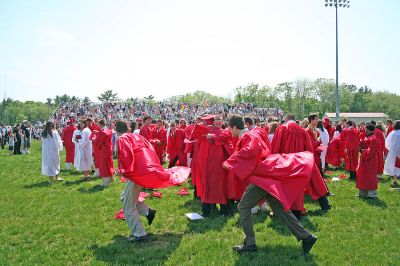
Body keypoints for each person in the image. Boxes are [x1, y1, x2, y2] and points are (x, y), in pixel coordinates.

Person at [223, 115, 317, 254]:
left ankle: (250, 244)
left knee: (243, 207)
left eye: (229, 129)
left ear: (235, 127)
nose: (229, 132)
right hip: (267, 175)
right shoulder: (256, 131)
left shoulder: (248, 136)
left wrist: (230, 162)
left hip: (262, 178)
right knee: (279, 208)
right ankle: (306, 237)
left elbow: (252, 149)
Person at [115, 120, 190, 241]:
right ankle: (148, 212)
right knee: (125, 197)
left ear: (116, 129)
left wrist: (123, 170)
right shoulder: (136, 136)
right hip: (143, 170)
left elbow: (126, 154)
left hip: (136, 171)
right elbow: (149, 148)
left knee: (128, 205)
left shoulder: (123, 138)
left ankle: (139, 233)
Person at [271, 113, 331, 217]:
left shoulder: (281, 129)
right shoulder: (302, 131)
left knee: (285, 186)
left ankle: (286, 210)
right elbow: (309, 149)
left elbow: (275, 147)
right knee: (314, 181)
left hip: (285, 162)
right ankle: (324, 205)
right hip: (301, 162)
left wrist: (273, 161)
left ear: (286, 119)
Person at [199, 115, 233, 216]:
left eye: (220, 123)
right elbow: (198, 137)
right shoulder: (207, 130)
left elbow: (224, 140)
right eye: (217, 123)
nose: (218, 125)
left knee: (220, 185)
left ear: (222, 122)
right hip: (208, 162)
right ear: (213, 122)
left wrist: (212, 136)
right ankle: (208, 210)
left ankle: (223, 210)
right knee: (208, 184)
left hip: (219, 163)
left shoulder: (225, 131)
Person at [356, 123, 379, 198]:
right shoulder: (367, 137)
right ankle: (363, 193)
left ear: (368, 129)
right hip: (364, 160)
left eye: (365, 128)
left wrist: (362, 151)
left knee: (370, 177)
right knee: (362, 176)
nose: (364, 129)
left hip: (370, 161)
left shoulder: (373, 139)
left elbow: (371, 152)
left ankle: (372, 194)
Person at [92, 119, 114, 186]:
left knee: (104, 166)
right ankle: (111, 178)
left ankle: (105, 182)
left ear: (100, 124)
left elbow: (98, 141)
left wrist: (94, 140)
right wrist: (98, 133)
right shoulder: (108, 130)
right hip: (108, 149)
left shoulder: (103, 132)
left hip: (104, 151)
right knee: (109, 164)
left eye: (98, 125)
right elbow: (103, 136)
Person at [384, 120, 400, 187]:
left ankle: (395, 180)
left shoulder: (393, 133)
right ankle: (395, 180)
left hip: (394, 152)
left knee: (394, 165)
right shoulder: (393, 133)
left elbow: (387, 143)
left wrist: (391, 149)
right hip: (396, 151)